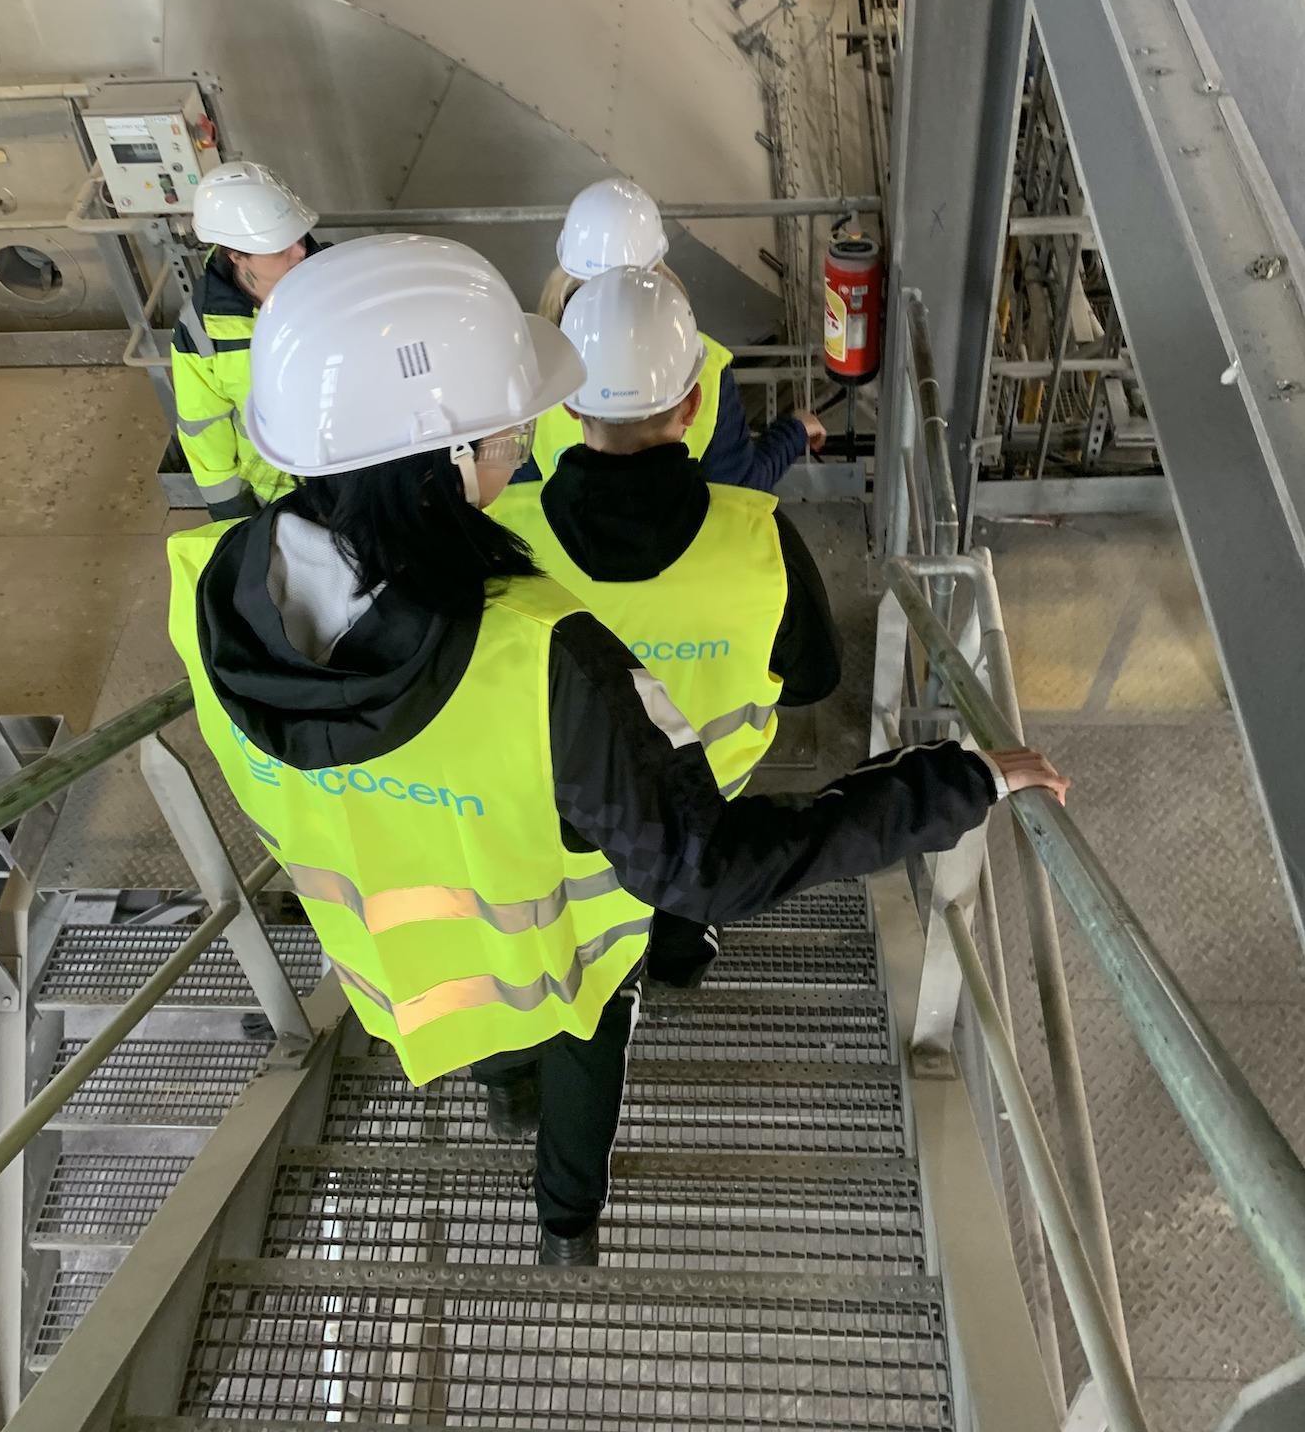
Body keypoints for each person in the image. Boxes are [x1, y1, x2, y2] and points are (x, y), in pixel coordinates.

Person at [165, 233, 1068, 1268]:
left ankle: (507, 1093)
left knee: (496, 1049)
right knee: (577, 1052)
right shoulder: (544, 659)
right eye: (501, 430)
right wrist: (957, 778)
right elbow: (709, 864)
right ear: (441, 460)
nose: (517, 447)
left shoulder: (204, 589)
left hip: (397, 973)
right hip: (562, 961)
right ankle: (564, 1225)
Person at [497, 266, 842, 990]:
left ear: (566, 404)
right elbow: (814, 679)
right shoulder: (762, 540)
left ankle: (598, 979)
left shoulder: (500, 538)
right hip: (709, 795)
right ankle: (680, 952)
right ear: (693, 405)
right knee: (695, 860)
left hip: (574, 800)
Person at [522, 176, 825, 490]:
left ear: (570, 404)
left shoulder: (533, 368)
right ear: (690, 403)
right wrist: (795, 431)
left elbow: (514, 492)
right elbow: (738, 486)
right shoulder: (706, 364)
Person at [172, 162, 321, 522]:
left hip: (356, 474)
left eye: (299, 238)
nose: (300, 252)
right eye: (279, 248)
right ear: (235, 255)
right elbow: (204, 425)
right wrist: (230, 512)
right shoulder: (204, 329)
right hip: (278, 498)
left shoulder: (337, 285)